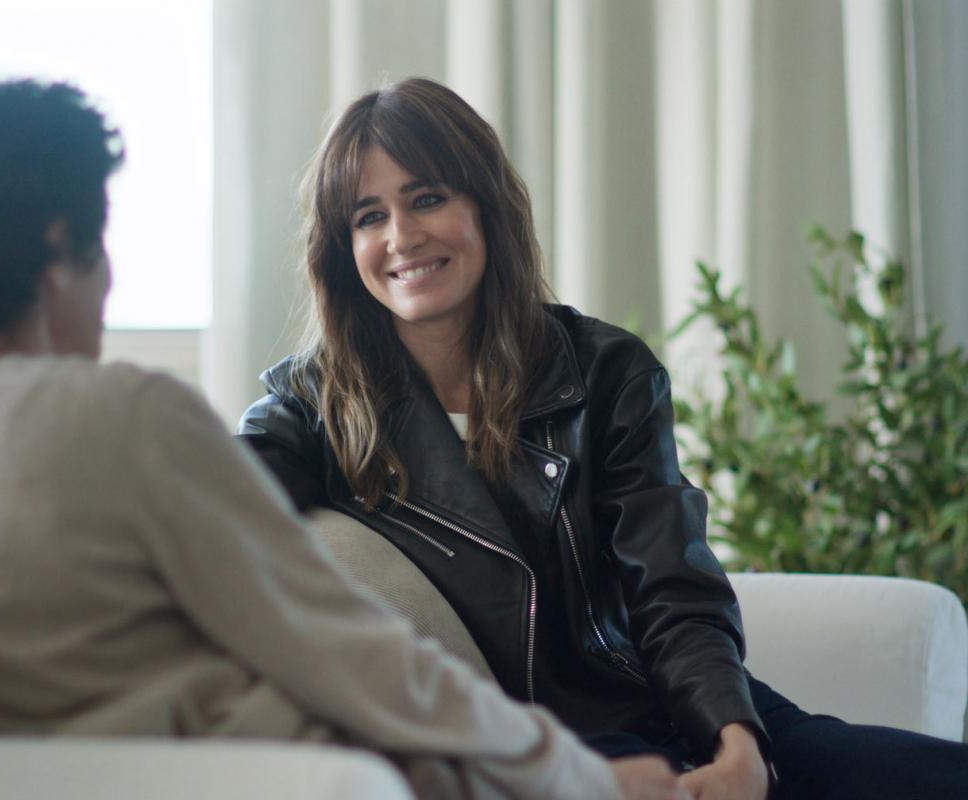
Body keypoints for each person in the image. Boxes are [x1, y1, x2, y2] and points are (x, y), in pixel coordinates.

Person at [0, 78, 687, 800]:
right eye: (101, 245)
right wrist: (579, 777)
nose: (107, 286)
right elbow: (350, 651)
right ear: (59, 249)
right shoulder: (128, 417)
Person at [237, 77, 968, 800]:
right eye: (369, 216)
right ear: (343, 248)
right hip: (551, 752)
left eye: (427, 198)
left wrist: (737, 744)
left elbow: (672, 587)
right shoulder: (311, 407)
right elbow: (214, 508)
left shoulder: (604, 370)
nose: (401, 237)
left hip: (684, 703)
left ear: (486, 206)